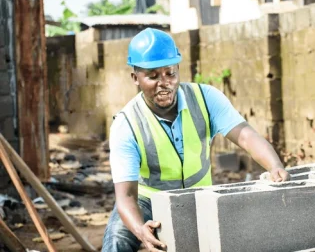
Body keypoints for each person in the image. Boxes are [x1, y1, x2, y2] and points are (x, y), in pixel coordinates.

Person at [102, 28, 290, 252]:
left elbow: (246, 136)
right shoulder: (127, 124)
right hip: (148, 202)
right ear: (136, 78)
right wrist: (140, 229)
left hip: (199, 196)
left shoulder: (205, 98)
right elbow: (126, 197)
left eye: (170, 73)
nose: (164, 82)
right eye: (152, 76)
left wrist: (275, 166)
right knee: (117, 240)